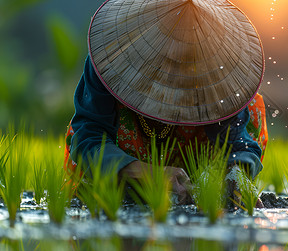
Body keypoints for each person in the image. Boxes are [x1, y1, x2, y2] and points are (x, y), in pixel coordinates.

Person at [64, 0, 268, 206]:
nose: (174, 71)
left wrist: (237, 176)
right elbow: (89, 136)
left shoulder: (222, 79)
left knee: (251, 106)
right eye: (166, 60)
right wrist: (149, 173)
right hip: (122, 165)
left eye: (187, 61)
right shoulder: (109, 60)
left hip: (194, 167)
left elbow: (238, 144)